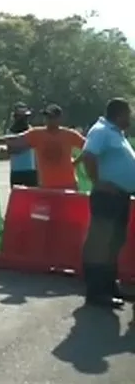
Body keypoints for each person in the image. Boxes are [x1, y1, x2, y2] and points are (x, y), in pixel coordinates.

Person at [79, 98, 135, 308]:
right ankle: (96, 292)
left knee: (114, 242)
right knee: (101, 244)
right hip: (107, 196)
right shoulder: (101, 130)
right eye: (128, 113)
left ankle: (110, 286)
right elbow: (89, 155)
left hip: (119, 196)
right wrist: (98, 182)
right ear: (119, 114)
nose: (130, 118)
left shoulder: (115, 133)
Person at [0, 104, 85, 189]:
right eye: (46, 117)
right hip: (47, 186)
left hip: (68, 185)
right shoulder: (37, 134)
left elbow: (89, 147)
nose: (47, 120)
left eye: (51, 117)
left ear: (59, 119)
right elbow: (16, 138)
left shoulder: (69, 134)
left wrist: (76, 162)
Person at [7, 102, 38, 187]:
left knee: (33, 198)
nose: (25, 119)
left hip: (30, 170)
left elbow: (36, 150)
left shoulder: (31, 130)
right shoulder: (10, 132)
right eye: (23, 117)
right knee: (18, 198)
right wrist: (27, 146)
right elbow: (10, 150)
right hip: (16, 170)